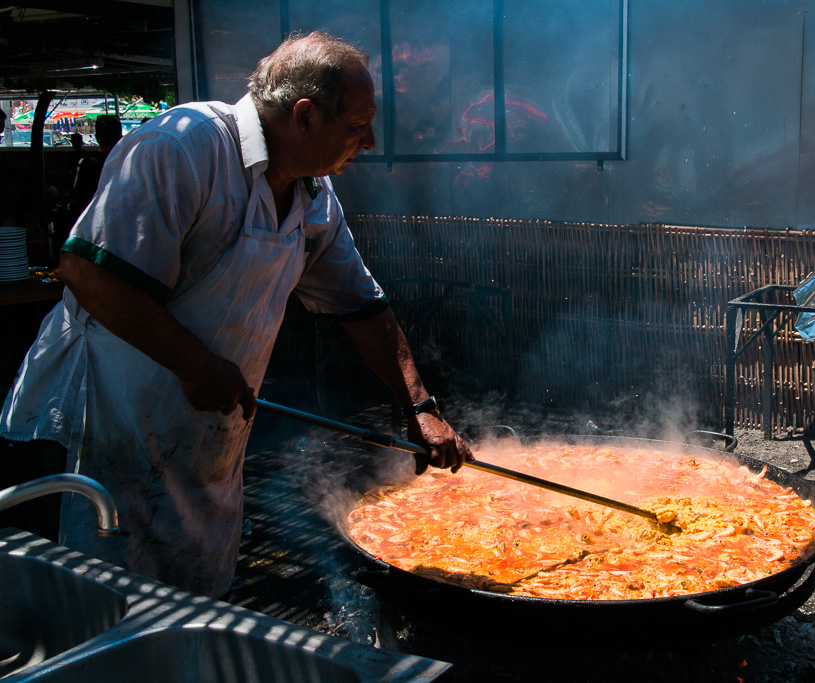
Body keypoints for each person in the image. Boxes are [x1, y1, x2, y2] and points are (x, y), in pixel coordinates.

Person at [1, 31, 473, 598]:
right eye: (357, 124)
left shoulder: (312, 197)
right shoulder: (182, 149)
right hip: (106, 430)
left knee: (194, 611)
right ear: (304, 116)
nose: (369, 141)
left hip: (203, 442)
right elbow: (90, 274)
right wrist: (196, 363)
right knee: (97, 616)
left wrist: (420, 407)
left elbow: (362, 306)